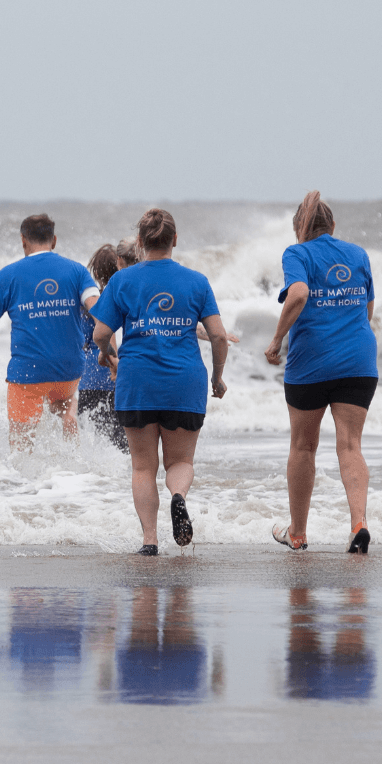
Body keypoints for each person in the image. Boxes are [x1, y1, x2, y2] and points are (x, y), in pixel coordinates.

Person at [87, 208, 228, 555]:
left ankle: (150, 541)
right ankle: (177, 496)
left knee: (142, 466)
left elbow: (100, 332)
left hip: (137, 381)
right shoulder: (197, 282)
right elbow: (219, 337)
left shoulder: (123, 280)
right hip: (184, 382)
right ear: (174, 240)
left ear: (139, 242)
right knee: (180, 463)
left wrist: (108, 356)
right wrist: (218, 377)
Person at [265, 192, 380, 554]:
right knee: (350, 445)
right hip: (358, 361)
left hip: (311, 363)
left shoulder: (296, 253)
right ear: (332, 226)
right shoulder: (358, 254)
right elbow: (368, 309)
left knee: (303, 445)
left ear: (300, 227)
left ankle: (297, 533)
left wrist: (276, 340)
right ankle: (358, 523)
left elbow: (298, 293)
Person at [0, 213, 94, 448]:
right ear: (54, 240)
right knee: (64, 406)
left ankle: (25, 482)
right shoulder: (77, 271)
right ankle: (76, 471)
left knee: (21, 443)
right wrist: (107, 345)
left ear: (23, 241)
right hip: (69, 370)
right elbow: (97, 309)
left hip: (28, 373)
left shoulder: (8, 276)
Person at [78, 244, 130, 451]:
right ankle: (115, 482)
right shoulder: (119, 298)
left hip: (87, 376)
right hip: (112, 373)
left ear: (96, 272)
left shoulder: (85, 302)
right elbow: (111, 336)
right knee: (121, 444)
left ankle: (96, 481)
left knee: (90, 440)